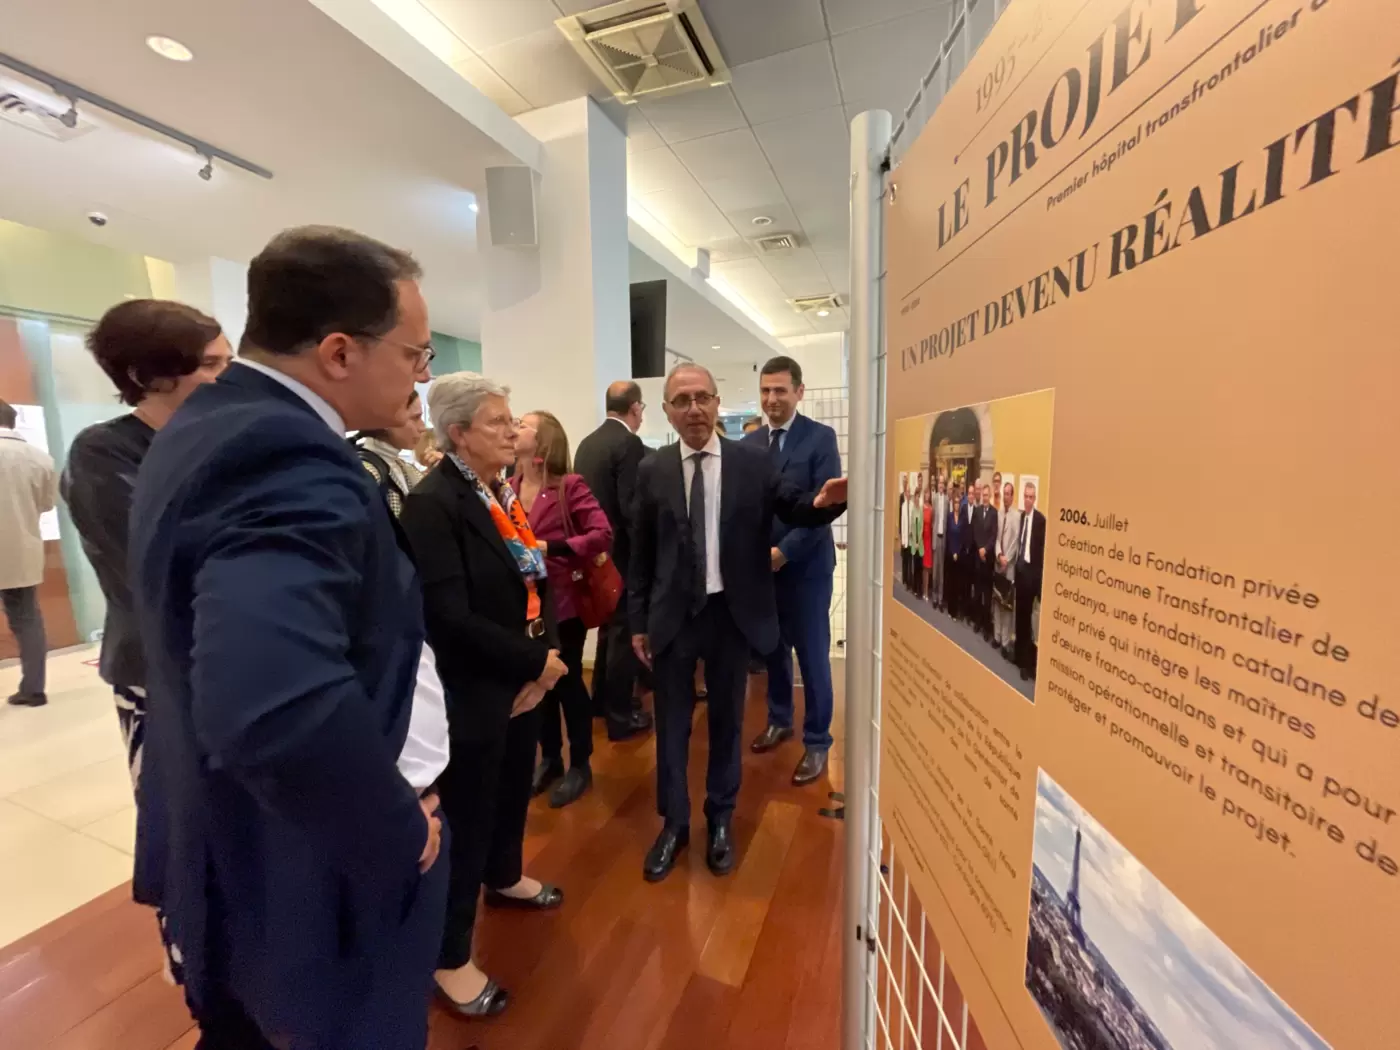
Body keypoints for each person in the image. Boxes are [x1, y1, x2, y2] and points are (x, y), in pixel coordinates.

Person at [129, 226, 447, 1049]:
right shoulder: (288, 459)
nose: (421, 375)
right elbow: (270, 705)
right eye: (416, 355)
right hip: (308, 873)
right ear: (340, 352)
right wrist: (397, 829)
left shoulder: (204, 422)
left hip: (231, 849)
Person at [629, 363, 846, 882]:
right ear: (666, 411)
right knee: (673, 730)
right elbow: (638, 551)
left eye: (703, 397)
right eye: (681, 401)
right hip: (674, 620)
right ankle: (674, 824)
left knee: (727, 725)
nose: (694, 409)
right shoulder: (652, 469)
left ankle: (719, 818)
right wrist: (637, 620)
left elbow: (794, 504)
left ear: (718, 402)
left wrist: (820, 504)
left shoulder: (751, 462)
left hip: (732, 615)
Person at [399, 372, 568, 1018]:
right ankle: (449, 956)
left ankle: (505, 875)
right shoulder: (433, 504)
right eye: (499, 421)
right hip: (473, 686)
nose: (514, 430)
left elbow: (537, 578)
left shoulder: (503, 495)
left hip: (524, 677)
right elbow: (447, 616)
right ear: (459, 433)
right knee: (466, 819)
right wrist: (536, 660)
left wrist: (547, 663)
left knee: (509, 795)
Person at [63, 300, 232, 775]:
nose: (226, 377)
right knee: (183, 818)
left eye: (228, 362)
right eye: (210, 365)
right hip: (164, 668)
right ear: (147, 376)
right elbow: (157, 562)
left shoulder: (217, 439)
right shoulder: (103, 451)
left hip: (231, 655)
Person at [744, 356, 842, 786]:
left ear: (799, 392)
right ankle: (780, 719)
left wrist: (782, 553)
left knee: (813, 656)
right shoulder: (749, 446)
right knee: (773, 650)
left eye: (781, 390)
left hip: (806, 570)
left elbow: (827, 508)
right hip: (762, 573)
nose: (772, 399)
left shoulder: (820, 439)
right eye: (766, 391)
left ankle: (818, 740)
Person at [512, 410, 613, 808]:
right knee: (539, 683)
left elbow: (601, 534)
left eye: (523, 424)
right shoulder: (508, 484)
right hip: (525, 605)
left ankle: (581, 764)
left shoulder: (569, 487)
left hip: (564, 604)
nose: (514, 427)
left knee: (568, 684)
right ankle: (551, 757)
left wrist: (550, 548)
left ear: (543, 442)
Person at [572, 381, 653, 742]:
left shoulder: (587, 443)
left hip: (595, 555)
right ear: (635, 408)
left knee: (609, 629)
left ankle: (601, 702)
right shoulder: (629, 445)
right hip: (622, 556)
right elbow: (631, 509)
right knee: (622, 633)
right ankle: (620, 717)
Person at [0, 399, 58, 707]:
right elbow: (47, 505)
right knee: (28, 621)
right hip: (22, 551)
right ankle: (34, 689)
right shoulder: (41, 459)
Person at [352, 389, 426, 515]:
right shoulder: (367, 473)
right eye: (415, 418)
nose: (422, 427)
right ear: (387, 420)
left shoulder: (403, 467)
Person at [1014, 480, 1047, 681]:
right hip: (1020, 573)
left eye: (1030, 497)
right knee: (1020, 618)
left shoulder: (1041, 521)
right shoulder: (1021, 518)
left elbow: (1042, 554)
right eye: (1025, 496)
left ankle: (1027, 665)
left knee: (1030, 624)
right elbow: (1020, 544)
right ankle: (1019, 658)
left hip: (1032, 578)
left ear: (1035, 499)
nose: (1027, 500)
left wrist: (1039, 585)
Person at [994, 480, 1022, 659]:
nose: (1006, 497)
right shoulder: (998, 514)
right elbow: (996, 538)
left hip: (1009, 567)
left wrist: (1006, 559)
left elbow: (1016, 542)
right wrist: (998, 555)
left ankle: (1005, 641)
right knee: (996, 601)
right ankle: (996, 637)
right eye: (1004, 494)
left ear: (1012, 496)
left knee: (1006, 605)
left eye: (1008, 494)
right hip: (998, 564)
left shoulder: (1016, 516)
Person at [973, 481, 998, 639]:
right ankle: (978, 622)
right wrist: (979, 548)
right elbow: (975, 532)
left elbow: (994, 535)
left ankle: (986, 626)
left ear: (990, 496)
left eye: (987, 495)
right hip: (978, 559)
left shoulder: (994, 513)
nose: (985, 498)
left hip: (987, 560)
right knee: (978, 592)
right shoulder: (977, 511)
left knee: (987, 595)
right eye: (983, 495)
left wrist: (985, 549)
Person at [930, 475, 948, 611]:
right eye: (939, 482)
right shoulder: (934, 498)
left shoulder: (947, 500)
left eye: (943, 483)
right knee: (935, 571)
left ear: (945, 485)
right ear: (938, 485)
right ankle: (935, 597)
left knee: (942, 572)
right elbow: (932, 519)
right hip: (936, 537)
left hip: (944, 539)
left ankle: (941, 599)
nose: (941, 485)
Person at [908, 472, 925, 598]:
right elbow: (912, 528)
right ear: (914, 499)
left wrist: (919, 541)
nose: (917, 499)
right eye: (916, 497)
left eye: (919, 497)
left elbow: (922, 527)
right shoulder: (913, 511)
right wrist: (915, 541)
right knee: (915, 567)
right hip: (914, 543)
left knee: (920, 567)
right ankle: (914, 588)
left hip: (921, 543)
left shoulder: (921, 511)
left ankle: (920, 590)